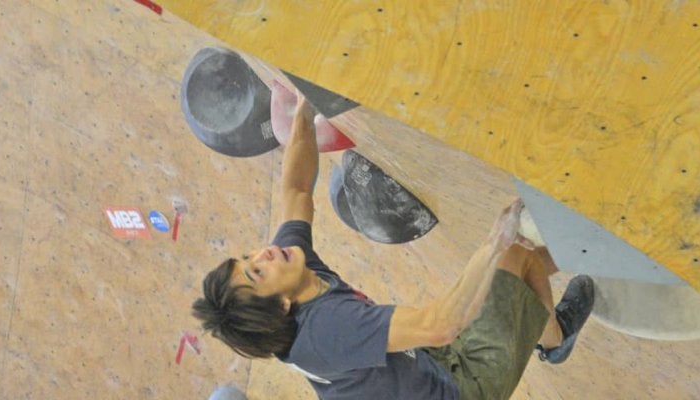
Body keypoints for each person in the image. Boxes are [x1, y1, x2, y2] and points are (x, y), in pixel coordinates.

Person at [192, 93, 595, 400]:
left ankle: (549, 317)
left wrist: (304, 106)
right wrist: (494, 241)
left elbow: (296, 190)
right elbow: (441, 326)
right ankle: (555, 340)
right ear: (282, 306)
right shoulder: (331, 328)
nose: (261, 254)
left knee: (517, 263)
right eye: (257, 272)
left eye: (247, 258)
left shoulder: (292, 269)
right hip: (461, 389)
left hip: (421, 364)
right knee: (514, 254)